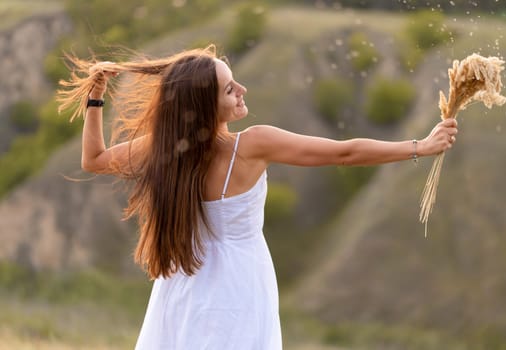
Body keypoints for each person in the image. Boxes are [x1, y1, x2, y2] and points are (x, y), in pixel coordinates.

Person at [57, 45, 458, 349]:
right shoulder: (252, 146)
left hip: (183, 286)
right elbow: (344, 152)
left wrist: (96, 98)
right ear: (206, 105)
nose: (241, 90)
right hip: (238, 287)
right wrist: (418, 146)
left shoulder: (163, 148)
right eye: (230, 89)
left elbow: (93, 160)